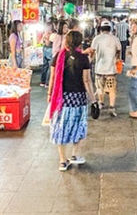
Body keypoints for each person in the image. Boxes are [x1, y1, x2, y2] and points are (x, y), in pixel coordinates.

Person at [47, 31, 96, 171]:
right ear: (80, 42)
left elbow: (52, 78)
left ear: (67, 42)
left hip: (61, 99)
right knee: (78, 126)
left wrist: (50, 94)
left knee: (60, 128)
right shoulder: (83, 58)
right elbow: (86, 81)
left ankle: (62, 161)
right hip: (78, 99)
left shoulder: (58, 56)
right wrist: (93, 100)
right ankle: (74, 155)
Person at [90, 20, 120, 117]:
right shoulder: (115, 39)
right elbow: (119, 51)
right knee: (112, 89)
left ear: (101, 29)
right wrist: (116, 59)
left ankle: (101, 103)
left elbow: (92, 52)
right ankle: (111, 107)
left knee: (99, 88)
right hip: (111, 69)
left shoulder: (97, 39)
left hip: (99, 69)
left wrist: (90, 60)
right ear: (110, 29)